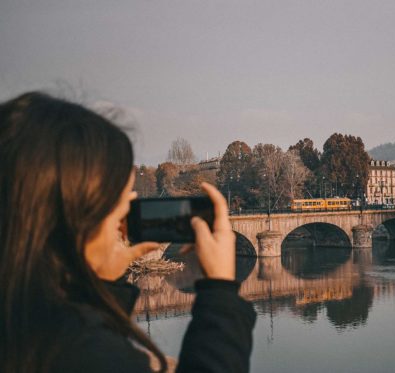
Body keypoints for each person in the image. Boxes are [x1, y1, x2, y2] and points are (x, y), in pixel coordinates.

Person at [0, 92, 256, 373]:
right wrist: (220, 289)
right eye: (120, 200)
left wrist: (102, 280)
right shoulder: (86, 354)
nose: (129, 210)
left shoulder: (24, 321)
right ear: (76, 217)